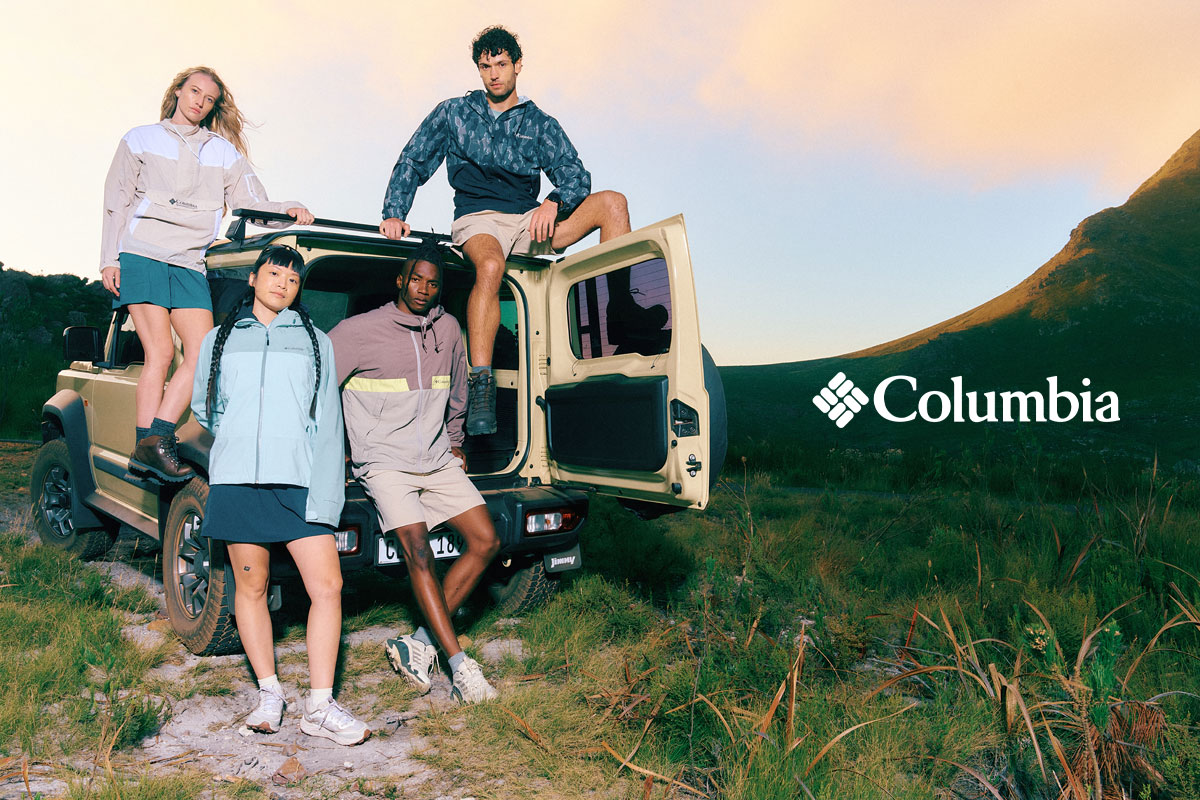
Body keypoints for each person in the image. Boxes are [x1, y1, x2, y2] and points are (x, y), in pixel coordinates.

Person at [380, 25, 658, 436]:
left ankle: (616, 314)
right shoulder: (453, 112)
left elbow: (576, 176)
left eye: (501, 64)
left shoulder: (540, 123)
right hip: (478, 220)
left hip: (529, 219)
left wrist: (554, 201)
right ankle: (481, 384)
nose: (494, 74)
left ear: (518, 65)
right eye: (485, 66)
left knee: (613, 203)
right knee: (490, 266)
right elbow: (413, 160)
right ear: (479, 70)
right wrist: (394, 211)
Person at [190, 245, 370, 745]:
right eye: (274, 275)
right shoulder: (219, 340)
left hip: (299, 481)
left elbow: (329, 423)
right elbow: (207, 408)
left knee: (327, 587)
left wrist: (326, 492)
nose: (282, 285)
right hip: (238, 480)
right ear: (253, 278)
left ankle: (320, 704)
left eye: (292, 280)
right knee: (250, 587)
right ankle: (270, 694)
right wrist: (244, 440)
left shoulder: (316, 341)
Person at [101, 65, 314, 483]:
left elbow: (252, 203)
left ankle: (152, 442)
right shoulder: (140, 138)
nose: (199, 101)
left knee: (201, 353)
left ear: (214, 105)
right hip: (142, 252)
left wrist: (288, 209)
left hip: (188, 260)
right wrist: (110, 258)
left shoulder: (222, 151)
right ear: (178, 91)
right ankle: (149, 442)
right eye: (193, 91)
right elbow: (116, 200)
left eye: (209, 98)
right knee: (160, 352)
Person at [329, 242, 501, 704]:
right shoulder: (356, 331)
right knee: (418, 551)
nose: (423, 288)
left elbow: (458, 390)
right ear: (400, 280)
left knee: (486, 541)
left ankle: (418, 642)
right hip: (384, 462)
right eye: (416, 279)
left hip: (436, 457)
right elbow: (318, 388)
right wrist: (337, 448)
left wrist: (457, 441)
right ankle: (461, 667)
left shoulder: (448, 328)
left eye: (433, 282)